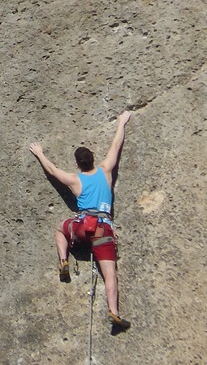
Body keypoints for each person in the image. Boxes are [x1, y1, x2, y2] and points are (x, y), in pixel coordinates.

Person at [29, 111, 133, 330]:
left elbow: (52, 170)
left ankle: (64, 259)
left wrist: (40, 153)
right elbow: (115, 146)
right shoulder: (105, 171)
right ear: (93, 159)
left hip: (82, 226)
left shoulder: (76, 180)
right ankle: (114, 312)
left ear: (77, 164)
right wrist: (122, 122)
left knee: (60, 229)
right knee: (110, 274)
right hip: (103, 229)